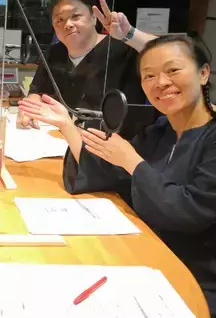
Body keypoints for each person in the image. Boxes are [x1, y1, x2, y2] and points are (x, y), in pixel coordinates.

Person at [18, 35, 216, 315]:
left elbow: (189, 210)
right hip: (143, 257)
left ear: (203, 73)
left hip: (192, 277)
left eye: (172, 70)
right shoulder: (159, 132)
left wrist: (133, 162)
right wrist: (66, 125)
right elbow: (113, 175)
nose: (161, 82)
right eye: (149, 75)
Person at [17, 0, 156, 139]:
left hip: (115, 144)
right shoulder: (54, 53)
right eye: (59, 20)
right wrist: (30, 104)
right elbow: (37, 90)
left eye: (75, 16)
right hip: (61, 140)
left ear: (94, 18)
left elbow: (166, 51)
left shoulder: (125, 49)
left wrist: (129, 34)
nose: (67, 24)